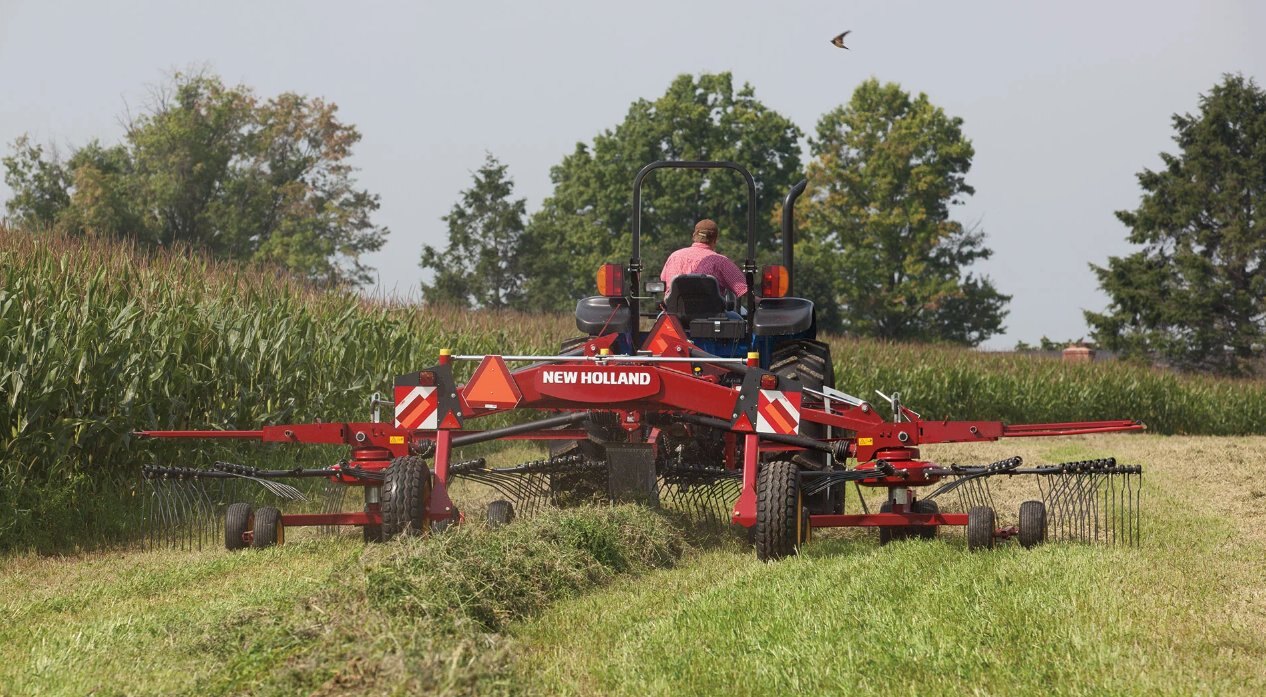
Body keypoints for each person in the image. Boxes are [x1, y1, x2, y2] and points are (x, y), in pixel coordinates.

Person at [660, 219, 748, 298]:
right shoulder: (721, 261)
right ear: (715, 239)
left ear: (694, 235)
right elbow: (743, 290)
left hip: (674, 314)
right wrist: (759, 301)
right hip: (712, 314)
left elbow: (664, 282)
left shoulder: (674, 256)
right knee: (735, 316)